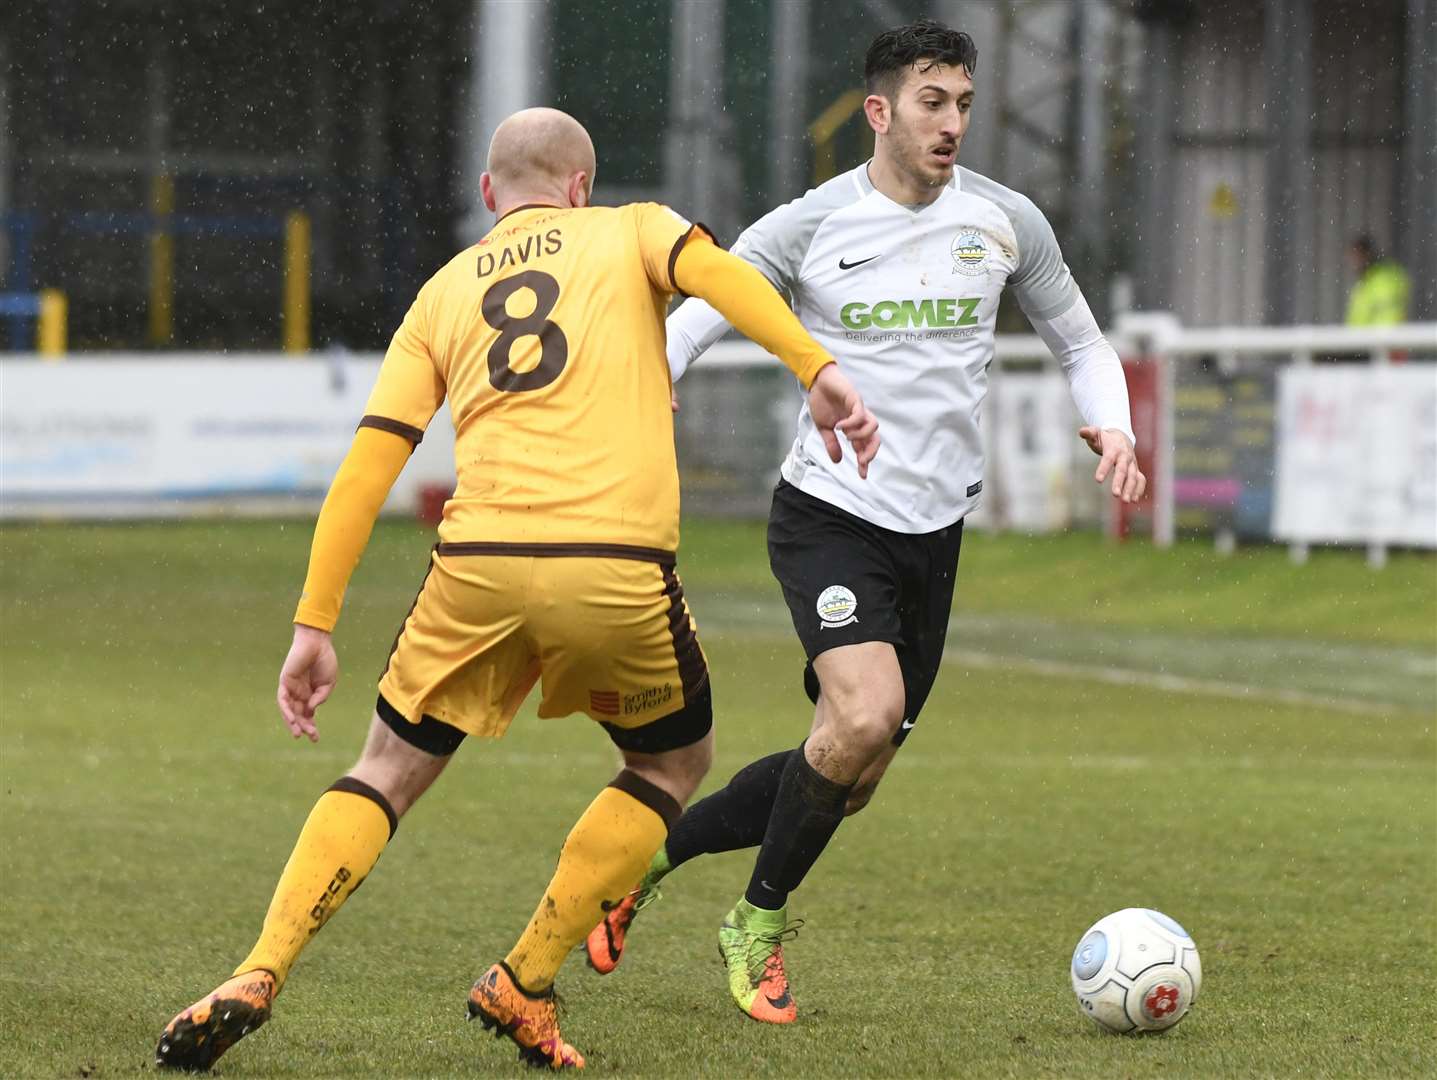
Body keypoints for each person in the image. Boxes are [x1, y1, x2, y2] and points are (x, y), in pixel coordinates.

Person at [153, 107, 878, 1072]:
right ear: (580, 185)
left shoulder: (444, 291)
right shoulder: (633, 228)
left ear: (490, 196)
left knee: (385, 769)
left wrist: (313, 622)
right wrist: (815, 367)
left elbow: (368, 467)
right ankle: (525, 977)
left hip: (476, 565)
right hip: (611, 564)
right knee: (669, 765)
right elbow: (724, 277)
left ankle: (259, 967)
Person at [585, 19, 1145, 1026]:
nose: (954, 124)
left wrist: (1111, 424)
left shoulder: (1006, 221)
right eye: (934, 103)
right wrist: (650, 384)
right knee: (863, 714)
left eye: (966, 104)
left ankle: (639, 870)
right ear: (880, 112)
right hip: (831, 515)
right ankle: (754, 925)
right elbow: (699, 313)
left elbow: (1080, 341)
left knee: (848, 770)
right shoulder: (808, 225)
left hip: (936, 535)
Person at [1345, 234, 1411, 326]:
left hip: (1380, 340)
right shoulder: (1363, 284)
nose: (1354, 262)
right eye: (1352, 257)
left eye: (1358, 256)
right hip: (1362, 340)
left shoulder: (1386, 280)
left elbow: (1391, 320)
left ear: (1367, 254)